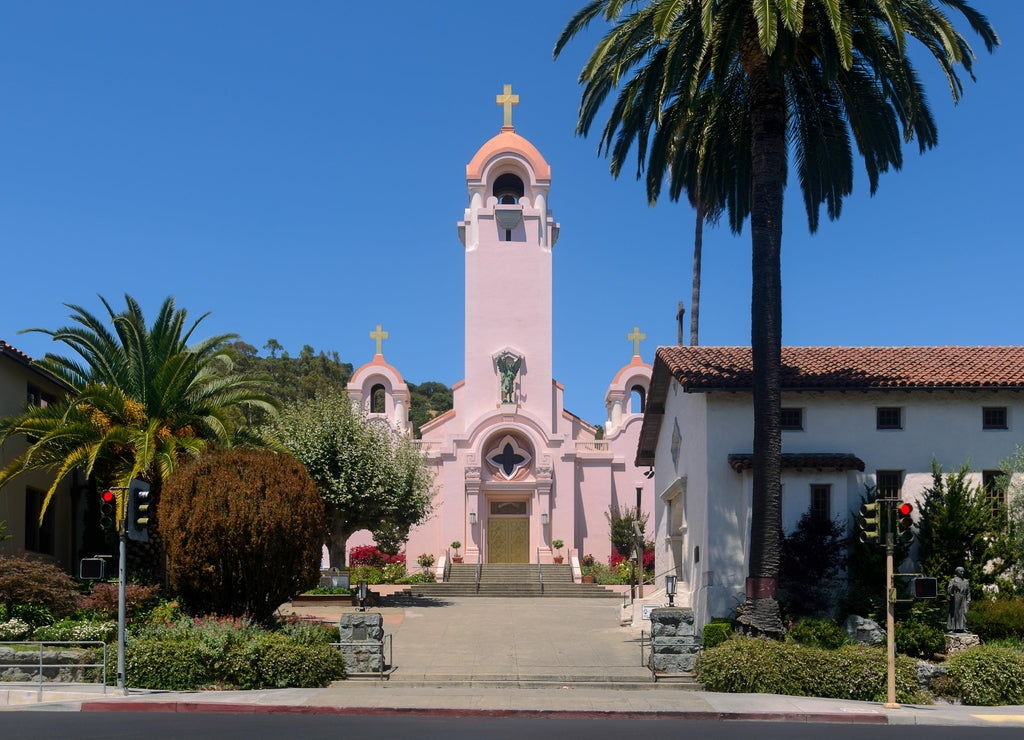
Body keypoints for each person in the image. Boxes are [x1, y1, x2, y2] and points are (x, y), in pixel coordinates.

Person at [947, 567, 971, 633]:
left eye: (963, 571)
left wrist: (968, 599)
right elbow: (949, 591)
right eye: (961, 571)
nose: (962, 573)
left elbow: (968, 591)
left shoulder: (966, 581)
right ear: (957, 572)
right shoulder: (953, 580)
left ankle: (964, 627)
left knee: (964, 612)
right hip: (956, 597)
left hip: (964, 598)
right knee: (955, 612)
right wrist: (952, 587)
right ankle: (953, 628)